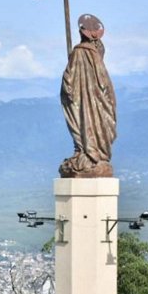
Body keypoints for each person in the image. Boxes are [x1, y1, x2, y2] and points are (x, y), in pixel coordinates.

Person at [59, 13, 117, 178]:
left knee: (83, 120)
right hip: (98, 99)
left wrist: (68, 89)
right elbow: (103, 82)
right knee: (97, 122)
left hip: (84, 101)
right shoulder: (96, 53)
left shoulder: (78, 53)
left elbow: (69, 80)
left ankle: (86, 151)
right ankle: (92, 152)